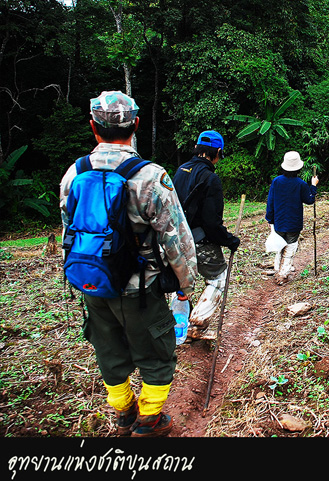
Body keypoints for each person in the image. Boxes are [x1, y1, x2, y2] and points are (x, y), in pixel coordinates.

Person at [59, 91, 197, 437]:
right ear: (136, 125)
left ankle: (124, 414)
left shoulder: (73, 175)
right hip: (139, 290)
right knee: (156, 354)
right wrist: (185, 285)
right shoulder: (150, 177)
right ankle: (150, 421)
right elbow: (176, 239)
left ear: (93, 127)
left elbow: (69, 234)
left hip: (92, 284)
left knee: (109, 352)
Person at [172, 130, 241, 338]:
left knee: (182, 283)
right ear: (217, 152)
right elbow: (211, 223)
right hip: (199, 240)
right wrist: (230, 240)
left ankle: (177, 327)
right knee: (218, 279)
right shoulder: (210, 178)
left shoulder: (180, 171)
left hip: (176, 240)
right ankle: (197, 323)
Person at [265, 151, 318, 285]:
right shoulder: (301, 184)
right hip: (294, 222)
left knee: (280, 245)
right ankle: (283, 274)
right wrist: (314, 185)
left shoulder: (276, 181)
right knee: (290, 247)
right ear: (299, 168)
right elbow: (309, 200)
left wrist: (270, 219)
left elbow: (270, 201)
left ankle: (278, 269)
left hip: (279, 220)